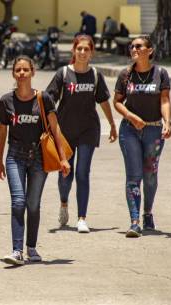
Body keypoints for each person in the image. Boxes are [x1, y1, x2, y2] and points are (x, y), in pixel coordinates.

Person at [0, 55, 70, 265]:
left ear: (32, 72)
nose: (21, 74)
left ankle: (31, 247)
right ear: (13, 73)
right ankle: (16, 250)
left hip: (39, 157)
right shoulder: (6, 101)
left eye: (25, 70)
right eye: (18, 70)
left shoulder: (44, 98)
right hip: (15, 156)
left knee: (33, 204)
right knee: (18, 201)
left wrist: (63, 159)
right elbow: (2, 131)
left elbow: (55, 129)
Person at [46, 35, 117, 233]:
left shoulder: (95, 75)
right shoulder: (63, 74)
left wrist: (112, 124)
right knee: (65, 175)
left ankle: (82, 218)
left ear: (91, 52)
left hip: (88, 130)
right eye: (80, 49)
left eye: (87, 49)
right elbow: (48, 99)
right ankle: (63, 203)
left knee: (82, 173)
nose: (83, 52)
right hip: (65, 132)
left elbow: (103, 101)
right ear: (74, 50)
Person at [113, 36, 171, 238]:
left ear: (150, 50)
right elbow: (118, 102)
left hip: (154, 131)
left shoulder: (160, 73)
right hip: (129, 130)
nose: (134, 49)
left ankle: (148, 213)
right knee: (134, 176)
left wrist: (167, 122)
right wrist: (131, 116)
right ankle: (135, 221)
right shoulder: (125, 75)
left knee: (150, 175)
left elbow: (165, 100)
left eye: (138, 46)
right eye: (132, 46)